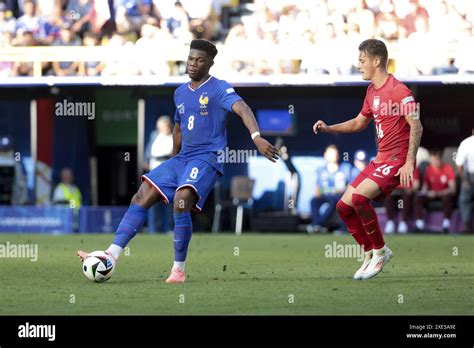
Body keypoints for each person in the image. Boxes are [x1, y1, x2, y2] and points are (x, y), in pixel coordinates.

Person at [77, 39, 280, 283]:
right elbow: (178, 128)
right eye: (191, 59)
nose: (193, 64)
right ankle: (111, 255)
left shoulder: (219, 88)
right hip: (183, 158)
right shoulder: (180, 92)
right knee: (142, 194)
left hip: (207, 158)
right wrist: (175, 160)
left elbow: (243, 108)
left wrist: (256, 137)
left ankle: (178, 270)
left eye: (200, 60)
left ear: (210, 63)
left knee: (181, 201)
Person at [313, 39, 423, 280]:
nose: (358, 65)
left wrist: (408, 162)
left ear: (376, 61)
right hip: (380, 159)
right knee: (343, 206)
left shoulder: (399, 90)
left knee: (361, 198)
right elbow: (358, 123)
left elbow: (416, 125)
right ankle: (369, 252)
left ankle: (381, 251)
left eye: (362, 60)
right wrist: (329, 128)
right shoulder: (372, 91)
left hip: (396, 160)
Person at [308, 145, 348, 233]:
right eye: (329, 153)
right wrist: (332, 190)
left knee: (334, 201)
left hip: (339, 198)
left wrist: (328, 190)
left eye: (334, 153)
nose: (331, 156)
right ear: (325, 155)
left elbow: (346, 189)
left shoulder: (345, 168)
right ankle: (316, 224)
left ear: (338, 155)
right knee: (314, 201)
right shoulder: (321, 170)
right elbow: (317, 191)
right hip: (325, 196)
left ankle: (320, 224)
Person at [414, 149, 456, 233]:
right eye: (433, 159)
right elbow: (425, 187)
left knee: (447, 198)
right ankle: (419, 225)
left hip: (444, 194)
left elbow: (453, 189)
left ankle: (446, 225)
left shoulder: (448, 168)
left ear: (441, 159)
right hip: (432, 195)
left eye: (437, 159)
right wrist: (426, 193)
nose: (436, 161)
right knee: (418, 198)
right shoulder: (428, 169)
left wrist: (440, 193)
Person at [144, 115, 173, 233]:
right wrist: (146, 161)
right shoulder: (154, 136)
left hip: (168, 174)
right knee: (153, 202)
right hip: (154, 174)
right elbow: (147, 152)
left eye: (166, 126)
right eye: (162, 127)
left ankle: (170, 229)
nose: (165, 129)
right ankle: (153, 229)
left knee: (169, 201)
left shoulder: (173, 137)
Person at [455, 127, 474, 233]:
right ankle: (466, 224)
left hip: (468, 175)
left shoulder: (465, 142)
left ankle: (466, 224)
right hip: (469, 175)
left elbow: (458, 166)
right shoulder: (466, 143)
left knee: (464, 200)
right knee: (464, 199)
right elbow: (459, 166)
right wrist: (464, 181)